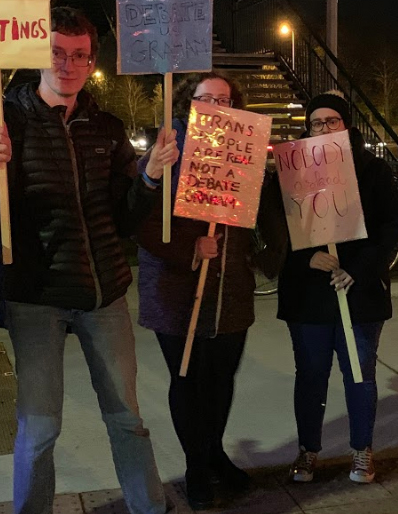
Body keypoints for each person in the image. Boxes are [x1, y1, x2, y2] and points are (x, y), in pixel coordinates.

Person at [0, 7, 177, 514]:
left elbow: (126, 219)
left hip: (103, 294)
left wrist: (148, 177)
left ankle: (149, 507)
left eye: (79, 55)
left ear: (91, 62)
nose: (68, 64)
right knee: (40, 426)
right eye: (57, 52)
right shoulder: (5, 124)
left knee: (127, 415)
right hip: (36, 298)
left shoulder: (105, 126)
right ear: (39, 56)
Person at [133, 71, 284, 510]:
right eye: (206, 98)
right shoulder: (168, 148)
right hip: (175, 287)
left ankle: (213, 453)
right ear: (190, 103)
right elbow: (138, 219)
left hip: (229, 288)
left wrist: (266, 256)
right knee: (187, 377)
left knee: (220, 380)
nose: (216, 105)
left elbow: (266, 212)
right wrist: (189, 247)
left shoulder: (245, 149)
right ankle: (197, 466)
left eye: (225, 98)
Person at [277, 92, 398, 485]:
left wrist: (359, 271)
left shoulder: (373, 171)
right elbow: (277, 228)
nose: (324, 129)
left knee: (360, 374)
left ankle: (362, 450)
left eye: (332, 121)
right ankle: (308, 450)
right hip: (309, 297)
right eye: (317, 122)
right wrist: (305, 258)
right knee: (310, 375)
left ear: (347, 126)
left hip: (358, 294)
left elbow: (390, 229)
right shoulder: (292, 171)